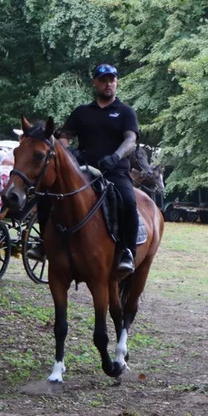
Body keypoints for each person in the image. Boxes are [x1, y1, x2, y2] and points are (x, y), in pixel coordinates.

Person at [30, 63, 140, 277]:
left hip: (114, 171)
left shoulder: (126, 112)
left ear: (116, 82)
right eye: (103, 80)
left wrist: (115, 156)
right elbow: (62, 136)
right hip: (82, 170)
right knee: (46, 196)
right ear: (95, 83)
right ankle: (44, 243)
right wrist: (70, 153)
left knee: (128, 201)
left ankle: (127, 251)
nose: (108, 84)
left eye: (112, 80)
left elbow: (131, 140)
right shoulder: (82, 112)